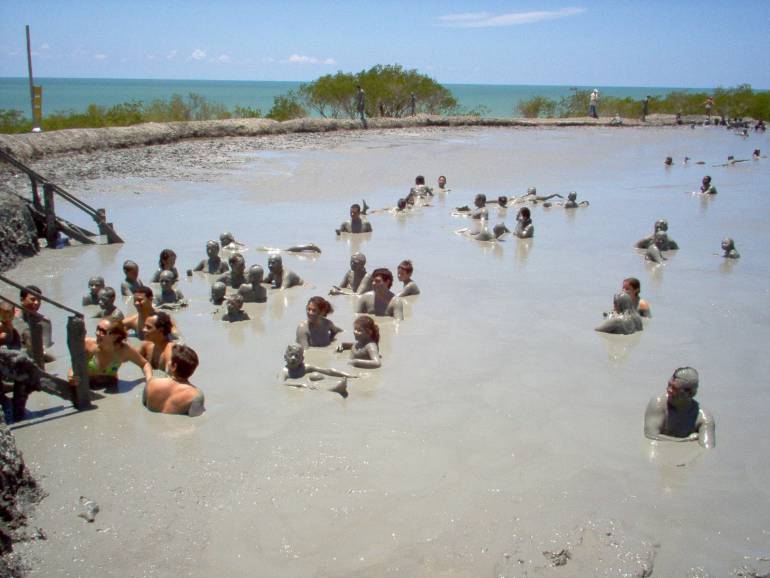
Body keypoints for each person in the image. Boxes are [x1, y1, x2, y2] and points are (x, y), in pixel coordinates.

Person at [70, 318, 153, 389]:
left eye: (102, 331)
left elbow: (145, 364)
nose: (97, 333)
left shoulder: (124, 351)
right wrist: (71, 376)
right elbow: (74, 367)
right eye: (97, 329)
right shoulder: (87, 345)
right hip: (89, 388)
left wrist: (149, 380)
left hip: (112, 387)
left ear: (115, 336)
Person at [644, 367, 715, 448]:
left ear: (690, 393)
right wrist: (686, 440)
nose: (668, 390)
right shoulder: (658, 403)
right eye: (669, 385)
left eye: (674, 388)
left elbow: (708, 449)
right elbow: (650, 435)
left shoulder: (704, 418)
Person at [143, 344, 205, 416]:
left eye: (170, 360)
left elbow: (144, 406)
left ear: (174, 366)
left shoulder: (151, 383)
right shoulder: (196, 395)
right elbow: (196, 420)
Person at [280, 344, 354, 397]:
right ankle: (335, 389)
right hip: (305, 388)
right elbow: (280, 384)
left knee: (317, 376)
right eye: (291, 355)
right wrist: (300, 385)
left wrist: (347, 375)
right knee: (312, 388)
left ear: (302, 359)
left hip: (314, 383)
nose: (293, 358)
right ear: (285, 357)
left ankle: (338, 385)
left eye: (296, 356)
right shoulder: (285, 372)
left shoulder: (305, 367)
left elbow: (327, 371)